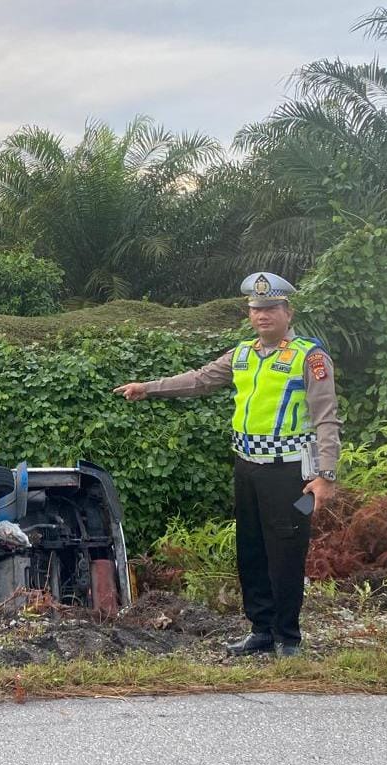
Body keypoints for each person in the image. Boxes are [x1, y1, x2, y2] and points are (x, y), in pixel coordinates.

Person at [114, 272, 340, 657]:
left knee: (286, 552)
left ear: (288, 312)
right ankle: (261, 630)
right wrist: (148, 388)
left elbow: (326, 418)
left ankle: (288, 637)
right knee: (251, 550)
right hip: (247, 468)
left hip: (290, 473)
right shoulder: (242, 354)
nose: (262, 315)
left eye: (271, 309)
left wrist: (326, 475)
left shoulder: (309, 356)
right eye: (255, 309)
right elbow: (199, 380)